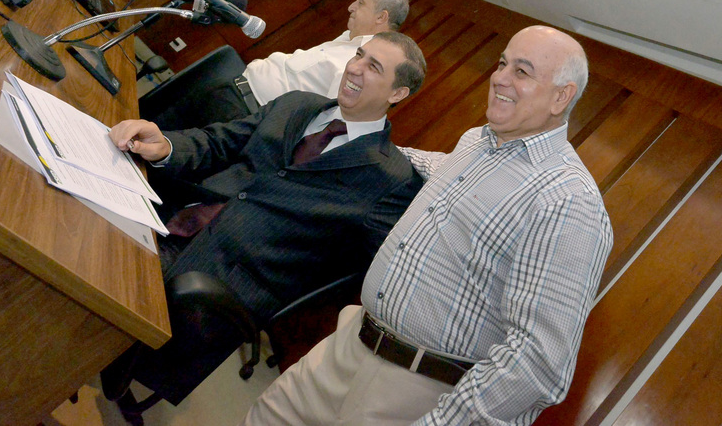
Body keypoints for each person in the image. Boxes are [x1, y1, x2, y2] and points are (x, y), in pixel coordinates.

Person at [240, 25, 615, 426]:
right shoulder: (477, 142)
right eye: (502, 63)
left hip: (416, 390)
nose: (500, 78)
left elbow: (538, 361)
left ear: (561, 96)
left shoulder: (569, 201)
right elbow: (436, 167)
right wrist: (366, 145)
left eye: (521, 72)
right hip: (348, 347)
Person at [103, 31, 427, 409]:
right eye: (358, 54)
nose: (354, 67)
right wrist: (166, 146)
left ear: (397, 93)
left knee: (99, 264)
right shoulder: (297, 103)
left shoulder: (391, 181)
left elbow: (388, 276)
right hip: (175, 216)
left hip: (217, 281)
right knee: (86, 216)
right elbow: (219, 141)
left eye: (373, 67)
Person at [175, 0, 409, 127]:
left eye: (360, 2)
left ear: (381, 17)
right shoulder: (349, 39)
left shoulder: (363, 64)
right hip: (233, 91)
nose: (351, 7)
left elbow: (329, 122)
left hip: (241, 114)